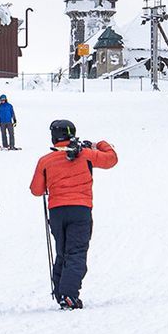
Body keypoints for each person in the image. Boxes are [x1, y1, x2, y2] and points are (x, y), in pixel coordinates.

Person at [29, 119, 118, 310]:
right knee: (76, 252)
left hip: (57, 211)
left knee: (62, 252)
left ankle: (61, 292)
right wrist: (98, 144)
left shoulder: (45, 161)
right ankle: (69, 296)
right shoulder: (85, 154)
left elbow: (36, 190)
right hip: (80, 209)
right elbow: (111, 159)